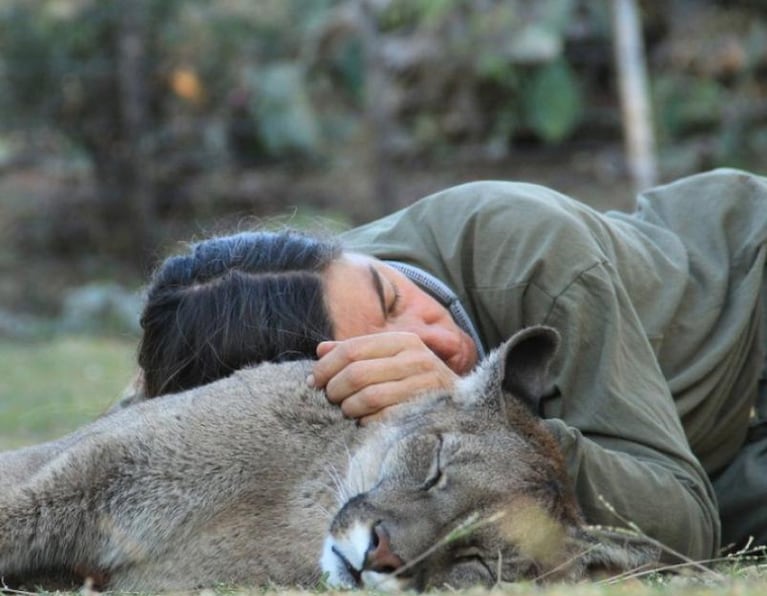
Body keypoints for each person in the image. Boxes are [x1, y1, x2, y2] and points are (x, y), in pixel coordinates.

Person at [133, 168, 767, 563]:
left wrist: (483, 422)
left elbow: (686, 524)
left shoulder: (533, 253)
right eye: (384, 357)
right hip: (725, 447)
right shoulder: (287, 358)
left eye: (392, 296)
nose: (431, 341)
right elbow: (154, 417)